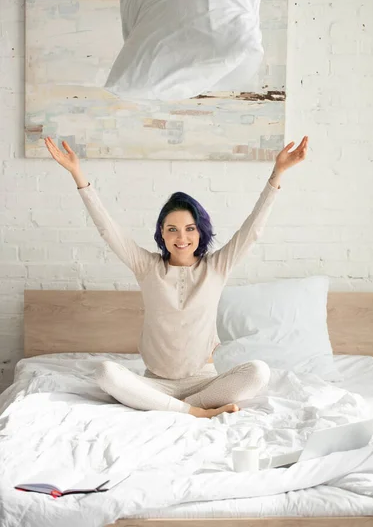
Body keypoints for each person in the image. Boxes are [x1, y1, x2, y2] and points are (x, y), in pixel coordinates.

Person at [44, 135, 308, 418]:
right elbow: (108, 230)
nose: (181, 237)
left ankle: (181, 406)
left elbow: (252, 230)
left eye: (190, 229)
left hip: (204, 383)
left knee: (258, 372)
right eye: (172, 229)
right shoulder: (147, 267)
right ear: (161, 233)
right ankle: (194, 412)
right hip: (155, 383)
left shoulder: (217, 267)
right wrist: (77, 173)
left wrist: (277, 173)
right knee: (105, 372)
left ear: (200, 231)